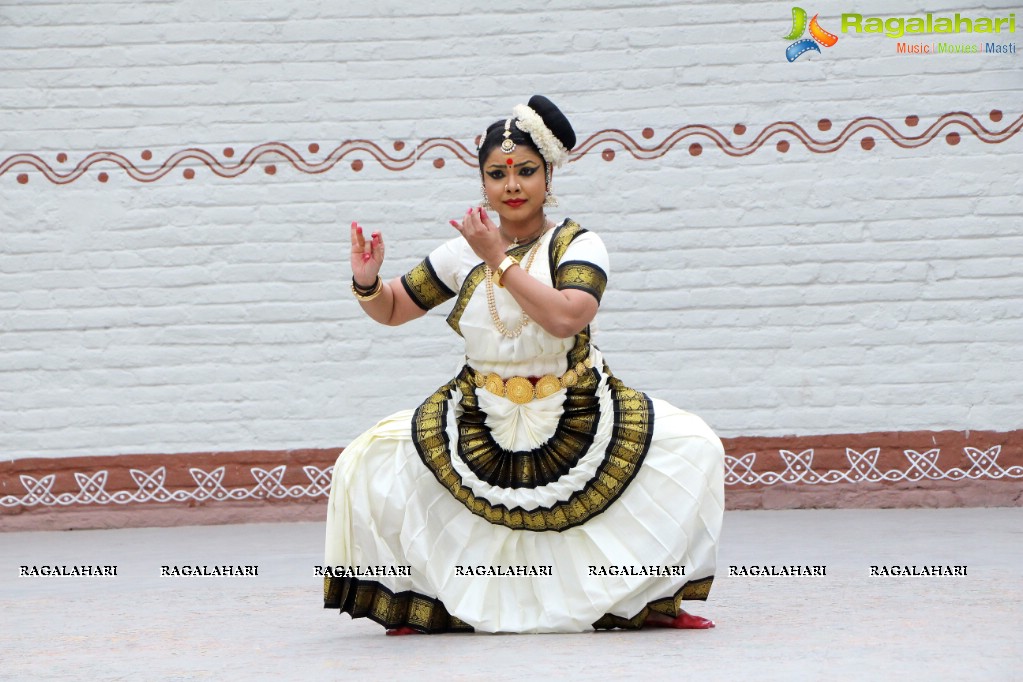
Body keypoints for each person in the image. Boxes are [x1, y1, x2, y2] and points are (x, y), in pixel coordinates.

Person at [324, 95, 725, 634]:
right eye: (498, 174)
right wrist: (368, 281)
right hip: (480, 408)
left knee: (696, 446)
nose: (512, 185)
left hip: (574, 405)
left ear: (548, 175)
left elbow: (567, 319)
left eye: (525, 171)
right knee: (363, 462)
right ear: (484, 184)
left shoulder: (577, 243)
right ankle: (432, 602)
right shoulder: (461, 251)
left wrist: (497, 258)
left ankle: (644, 599)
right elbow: (394, 309)